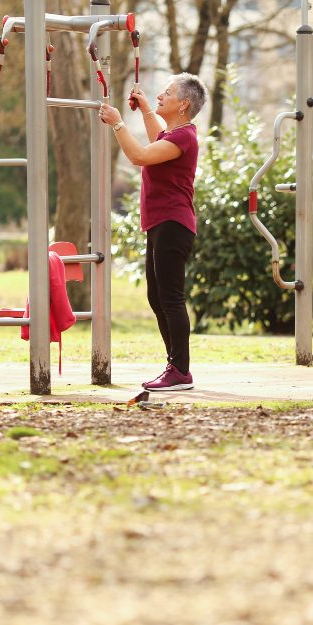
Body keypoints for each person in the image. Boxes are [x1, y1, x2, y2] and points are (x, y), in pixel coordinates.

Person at [99, 73, 207, 391]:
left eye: (167, 92)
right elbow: (158, 139)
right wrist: (146, 108)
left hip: (173, 224)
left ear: (183, 104)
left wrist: (119, 124)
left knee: (170, 298)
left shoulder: (185, 137)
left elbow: (140, 156)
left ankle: (179, 371)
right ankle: (175, 367)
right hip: (162, 223)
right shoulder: (174, 135)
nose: (161, 94)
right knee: (157, 296)